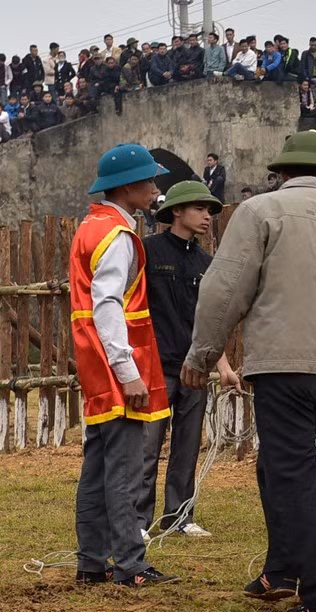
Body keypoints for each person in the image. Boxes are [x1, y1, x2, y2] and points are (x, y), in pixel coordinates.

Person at [182, 131, 316, 612]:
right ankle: (282, 570)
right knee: (278, 464)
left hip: (281, 365)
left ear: (281, 173)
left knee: (291, 472)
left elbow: (223, 289)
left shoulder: (260, 213)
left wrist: (202, 354)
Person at [70, 144, 177, 588]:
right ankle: (130, 564)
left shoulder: (91, 226)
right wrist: (129, 372)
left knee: (98, 465)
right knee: (124, 467)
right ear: (129, 187)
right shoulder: (118, 235)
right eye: (150, 181)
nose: (156, 187)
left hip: (96, 361)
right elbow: (108, 305)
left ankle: (92, 562)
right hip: (119, 363)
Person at [138, 181, 240, 541]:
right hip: (153, 368)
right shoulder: (146, 251)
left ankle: (180, 517)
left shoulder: (206, 263)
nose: (208, 217)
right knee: (147, 448)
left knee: (187, 447)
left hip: (194, 370)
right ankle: (138, 522)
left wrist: (223, 366)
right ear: (176, 211)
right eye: (200, 209)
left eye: (210, 211)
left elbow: (208, 321)